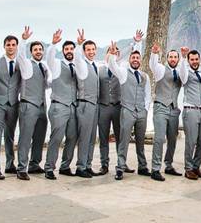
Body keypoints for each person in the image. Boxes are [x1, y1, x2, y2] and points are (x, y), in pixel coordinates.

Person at [106, 39, 151, 181]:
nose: (135, 59)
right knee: (123, 141)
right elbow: (112, 66)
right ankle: (120, 168)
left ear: (140, 60)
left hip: (141, 112)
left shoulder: (145, 76)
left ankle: (142, 166)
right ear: (130, 60)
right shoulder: (123, 73)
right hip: (127, 111)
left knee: (140, 141)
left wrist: (145, 110)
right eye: (133, 57)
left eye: (138, 57)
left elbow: (148, 95)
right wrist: (112, 55)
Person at [98, 31, 141, 175]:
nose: (114, 54)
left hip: (118, 107)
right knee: (103, 137)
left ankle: (121, 163)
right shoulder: (99, 70)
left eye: (117, 52)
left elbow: (133, 57)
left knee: (121, 137)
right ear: (107, 55)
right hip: (103, 108)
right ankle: (104, 164)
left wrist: (135, 43)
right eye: (111, 52)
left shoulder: (122, 69)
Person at [0, 30, 30, 179]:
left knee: (10, 136)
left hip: (13, 104)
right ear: (4, 46)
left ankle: (9, 164)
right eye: (8, 45)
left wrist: (24, 40)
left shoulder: (21, 63)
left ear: (17, 46)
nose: (11, 47)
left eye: (13, 45)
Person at [16, 27, 51, 180]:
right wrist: (23, 40)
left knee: (39, 137)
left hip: (42, 105)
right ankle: (21, 168)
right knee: (25, 137)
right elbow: (20, 55)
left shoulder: (44, 66)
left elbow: (47, 84)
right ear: (31, 52)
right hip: (28, 105)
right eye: (35, 49)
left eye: (40, 49)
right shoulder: (26, 64)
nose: (38, 51)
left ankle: (34, 164)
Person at [44, 29, 80, 179]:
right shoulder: (57, 64)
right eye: (66, 49)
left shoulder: (78, 67)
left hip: (73, 106)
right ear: (63, 51)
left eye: (71, 49)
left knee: (72, 137)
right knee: (57, 138)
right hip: (59, 106)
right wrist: (53, 44)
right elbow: (49, 58)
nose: (69, 51)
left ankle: (65, 166)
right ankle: (49, 168)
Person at [149, 42, 184, 180]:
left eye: (175, 57)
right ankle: (155, 169)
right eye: (171, 57)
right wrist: (154, 53)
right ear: (167, 58)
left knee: (172, 139)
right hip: (161, 107)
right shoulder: (161, 70)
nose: (173, 59)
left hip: (174, 109)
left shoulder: (180, 72)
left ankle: (168, 166)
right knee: (159, 138)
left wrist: (185, 58)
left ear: (178, 59)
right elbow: (153, 65)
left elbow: (186, 77)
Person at [73, 29, 102, 178]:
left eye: (93, 49)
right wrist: (78, 45)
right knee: (84, 137)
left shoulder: (95, 65)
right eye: (88, 50)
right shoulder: (82, 65)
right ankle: (80, 167)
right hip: (85, 104)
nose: (91, 52)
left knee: (92, 137)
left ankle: (88, 165)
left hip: (94, 105)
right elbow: (77, 59)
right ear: (84, 52)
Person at [179, 48, 201, 180]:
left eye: (196, 59)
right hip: (190, 110)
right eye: (192, 59)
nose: (194, 61)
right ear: (188, 61)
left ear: (199, 60)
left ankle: (196, 167)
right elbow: (182, 73)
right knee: (191, 142)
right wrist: (182, 57)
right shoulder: (186, 74)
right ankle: (188, 168)